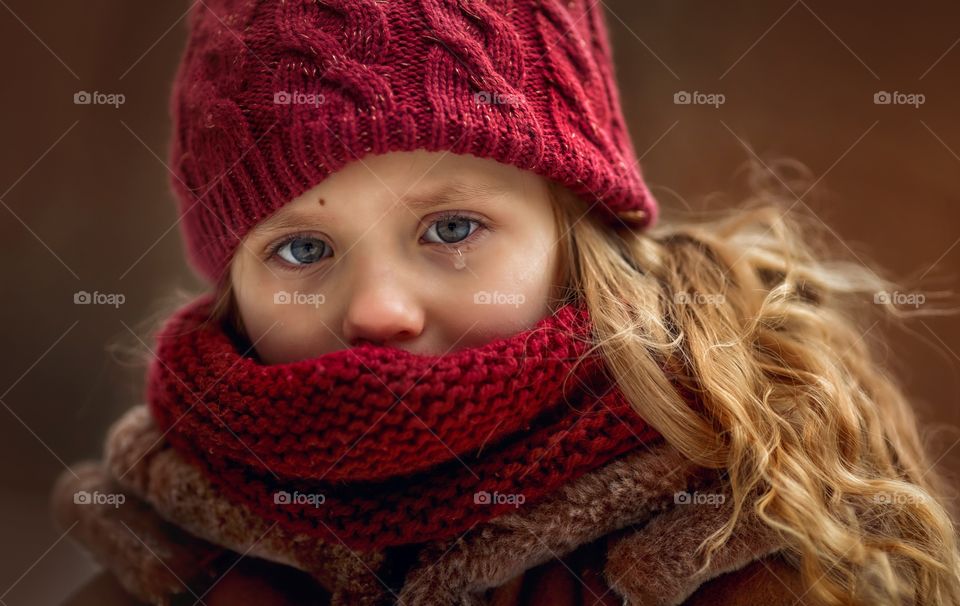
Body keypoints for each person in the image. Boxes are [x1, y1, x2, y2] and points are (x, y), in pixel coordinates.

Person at [53, 0, 960, 604]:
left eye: (450, 230)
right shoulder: (164, 555)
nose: (378, 310)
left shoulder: (742, 531)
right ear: (235, 291)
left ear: (573, 235)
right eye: (302, 249)